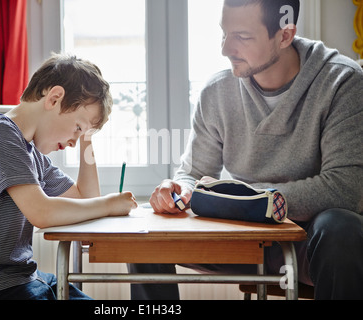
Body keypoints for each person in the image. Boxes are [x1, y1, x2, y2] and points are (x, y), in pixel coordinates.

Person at [129, 0, 363, 300]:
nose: (226, 48)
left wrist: (250, 202)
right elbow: (195, 174)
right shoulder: (216, 92)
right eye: (224, 34)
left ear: (284, 35)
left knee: (341, 228)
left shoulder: (343, 82)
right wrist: (178, 189)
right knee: (145, 231)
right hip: (240, 235)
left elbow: (345, 190)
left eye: (242, 36)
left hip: (310, 242)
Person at [0, 53, 138, 300]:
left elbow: (85, 198)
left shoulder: (30, 153)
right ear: (55, 98)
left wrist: (87, 137)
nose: (73, 142)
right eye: (78, 128)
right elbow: (43, 213)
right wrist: (110, 204)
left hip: (15, 280)